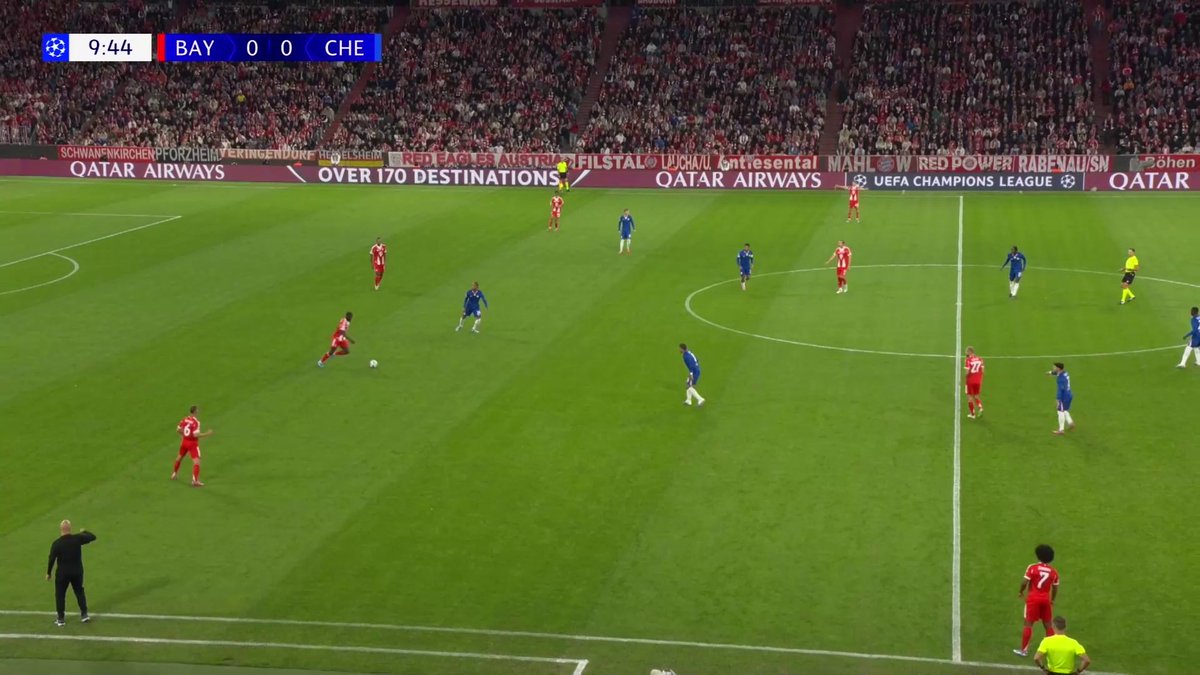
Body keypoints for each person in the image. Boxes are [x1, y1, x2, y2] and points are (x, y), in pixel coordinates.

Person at [46, 520, 96, 626]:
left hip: (62, 573)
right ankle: (84, 614)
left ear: (61, 529)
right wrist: (84, 531)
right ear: (70, 528)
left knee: (60, 595)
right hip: (77, 571)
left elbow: (51, 559)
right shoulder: (77, 538)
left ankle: (60, 619)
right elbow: (93, 537)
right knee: (79, 591)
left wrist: (48, 573)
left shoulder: (57, 543)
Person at [1014, 544, 1059, 657]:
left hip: (1033, 599)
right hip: (1045, 600)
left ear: (1038, 556)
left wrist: (1021, 591)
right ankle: (1052, 650)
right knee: (1048, 625)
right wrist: (1052, 600)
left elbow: (1024, 582)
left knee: (1028, 623)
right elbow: (1055, 588)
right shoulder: (1054, 572)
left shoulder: (1032, 568)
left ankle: (1024, 650)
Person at [172, 405, 214, 486]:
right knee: (197, 462)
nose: (199, 411)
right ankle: (195, 481)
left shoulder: (185, 419)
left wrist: (185, 435)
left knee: (179, 457)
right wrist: (207, 434)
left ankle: (174, 474)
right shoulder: (196, 422)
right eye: (198, 410)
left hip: (184, 441)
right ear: (195, 412)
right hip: (192, 444)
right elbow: (196, 435)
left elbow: (178, 429)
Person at [1048, 363, 1074, 435]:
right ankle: (1070, 423)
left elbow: (1060, 390)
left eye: (1054, 367)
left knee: (1060, 411)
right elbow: (1057, 373)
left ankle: (1061, 430)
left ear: (1058, 368)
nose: (1053, 368)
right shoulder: (1065, 373)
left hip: (1064, 396)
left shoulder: (1060, 379)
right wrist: (1050, 373)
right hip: (1069, 394)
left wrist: (1058, 399)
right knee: (1064, 410)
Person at [964, 346, 985, 418]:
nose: (966, 353)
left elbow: (967, 372)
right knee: (976, 395)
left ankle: (972, 414)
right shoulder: (980, 359)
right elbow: (982, 371)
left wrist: (965, 377)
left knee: (969, 396)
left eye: (966, 351)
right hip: (978, 381)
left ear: (969, 352)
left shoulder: (968, 360)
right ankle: (980, 407)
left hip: (970, 381)